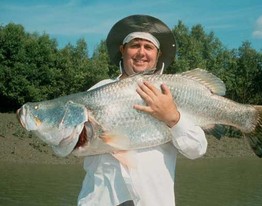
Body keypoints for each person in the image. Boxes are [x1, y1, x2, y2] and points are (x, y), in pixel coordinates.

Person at [77, 14, 208, 206]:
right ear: (122, 50)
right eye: (134, 45)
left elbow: (197, 150)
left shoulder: (171, 92)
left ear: (158, 54)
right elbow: (71, 144)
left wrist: (173, 118)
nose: (141, 52)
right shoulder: (98, 91)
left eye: (148, 47)